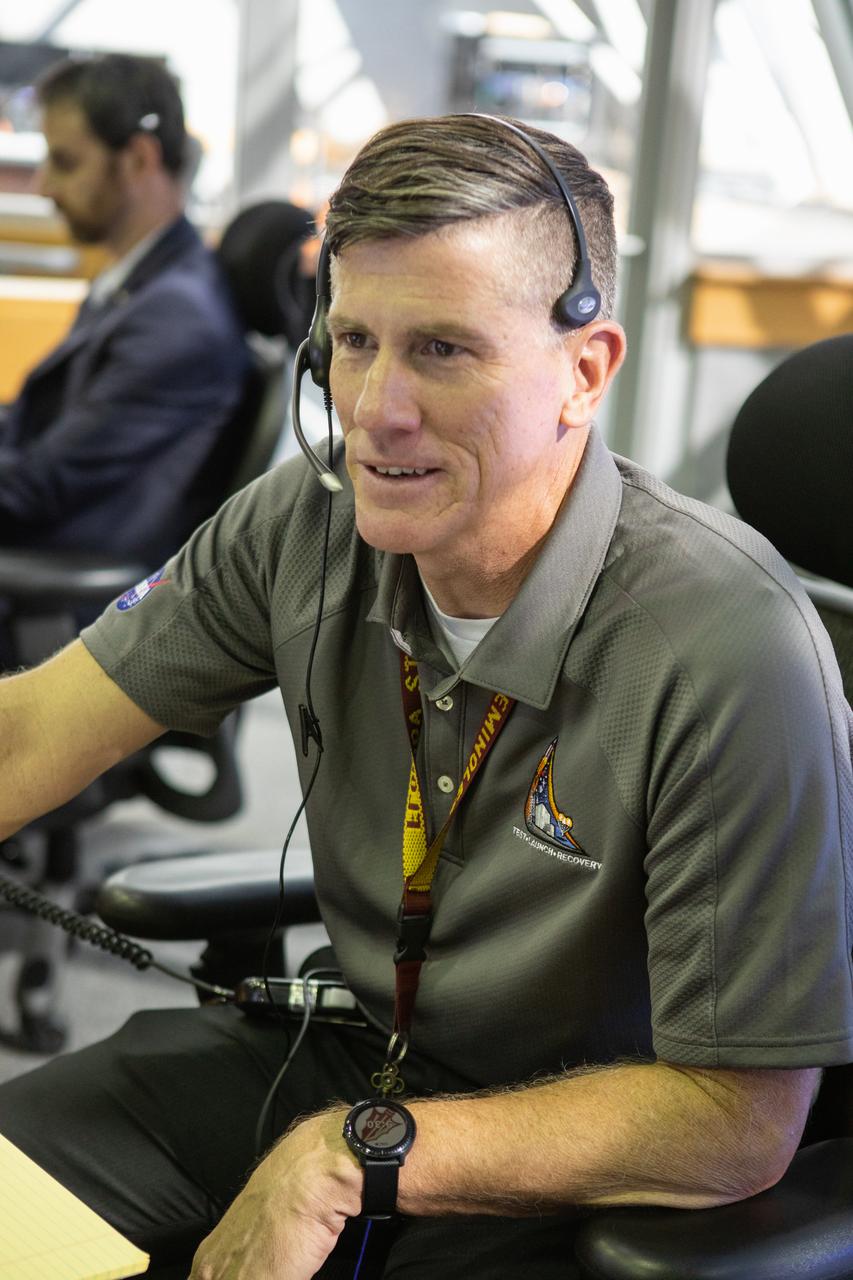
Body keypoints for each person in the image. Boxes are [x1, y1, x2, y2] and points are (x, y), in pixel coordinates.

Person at [0, 113, 851, 1280]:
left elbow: (738, 1120)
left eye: (443, 350)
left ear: (583, 371)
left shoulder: (724, 644)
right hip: (361, 1053)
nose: (376, 412)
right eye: (353, 341)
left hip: (590, 1143)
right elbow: (30, 732)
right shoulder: (302, 523)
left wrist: (352, 1155)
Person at [0, 52, 248, 566]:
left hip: (62, 590)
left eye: (65, 162)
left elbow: (37, 491)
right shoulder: (137, 283)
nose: (44, 185)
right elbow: (35, 428)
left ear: (137, 159)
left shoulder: (174, 320)